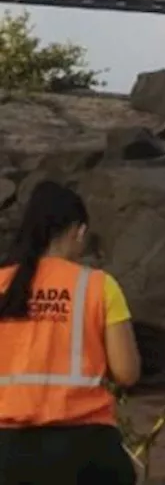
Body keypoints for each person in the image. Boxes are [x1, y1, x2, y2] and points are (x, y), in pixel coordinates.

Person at [0, 181, 142, 485]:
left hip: (8, 449)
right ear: (78, 230)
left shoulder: (1, 284)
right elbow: (127, 372)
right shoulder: (98, 286)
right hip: (86, 447)